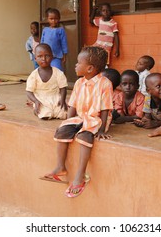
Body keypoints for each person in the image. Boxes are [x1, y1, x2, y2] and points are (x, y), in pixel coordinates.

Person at [39, 46, 113, 198]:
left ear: (90, 68)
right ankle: (60, 167)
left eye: (79, 63)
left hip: (96, 119)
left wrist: (102, 129)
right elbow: (72, 105)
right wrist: (67, 122)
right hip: (80, 117)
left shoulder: (105, 83)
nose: (75, 65)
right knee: (62, 131)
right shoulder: (79, 83)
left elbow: (105, 109)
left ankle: (80, 174)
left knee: (85, 137)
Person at [25, 44, 68, 120]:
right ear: (35, 58)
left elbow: (63, 88)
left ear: (52, 57)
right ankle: (39, 108)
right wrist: (36, 101)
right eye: (40, 56)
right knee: (46, 114)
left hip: (55, 97)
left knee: (63, 114)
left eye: (47, 56)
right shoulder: (34, 75)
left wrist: (62, 99)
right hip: (41, 99)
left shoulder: (58, 73)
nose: (44, 59)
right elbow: (29, 91)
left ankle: (57, 110)